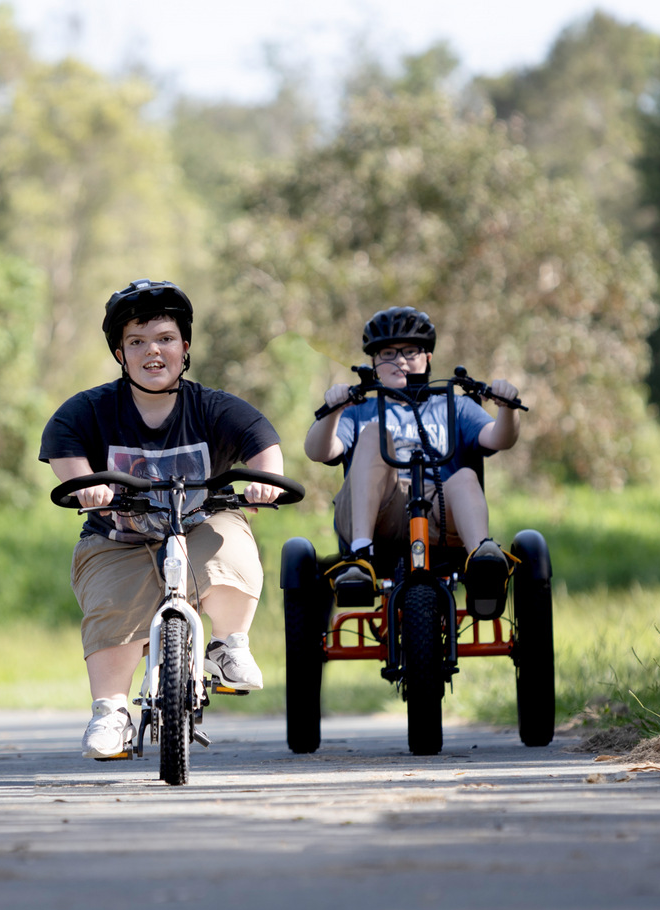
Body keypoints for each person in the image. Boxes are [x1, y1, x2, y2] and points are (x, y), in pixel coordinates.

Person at [40, 280, 286, 760]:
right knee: (113, 604)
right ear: (120, 353)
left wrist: (266, 480)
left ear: (185, 348)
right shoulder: (88, 410)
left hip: (199, 527)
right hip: (118, 538)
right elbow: (65, 451)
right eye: (136, 342)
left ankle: (227, 643)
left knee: (231, 543)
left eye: (165, 339)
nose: (153, 351)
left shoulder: (212, 408)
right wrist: (86, 485)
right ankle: (110, 711)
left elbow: (262, 442)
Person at [302, 306, 520, 614]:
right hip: (379, 512)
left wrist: (507, 409)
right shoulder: (360, 410)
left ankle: (481, 561)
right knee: (374, 434)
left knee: (465, 477)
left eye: (410, 351)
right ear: (374, 363)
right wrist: (334, 410)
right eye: (388, 353)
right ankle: (360, 557)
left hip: (441, 512)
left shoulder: (453, 405)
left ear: (428, 358)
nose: (400, 360)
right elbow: (319, 452)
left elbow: (499, 438)